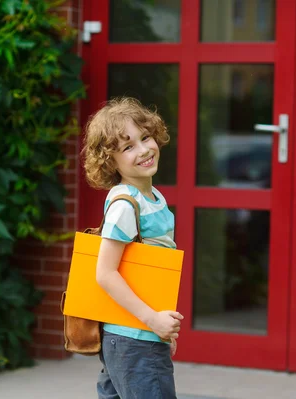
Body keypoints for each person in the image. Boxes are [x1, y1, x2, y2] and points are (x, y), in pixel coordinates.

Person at [82, 97, 184, 399]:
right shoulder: (126, 204)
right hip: (132, 338)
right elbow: (105, 273)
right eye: (128, 147)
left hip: (138, 336)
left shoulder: (152, 197)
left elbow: (151, 271)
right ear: (110, 161)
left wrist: (160, 329)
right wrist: (152, 321)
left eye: (145, 137)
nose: (143, 150)